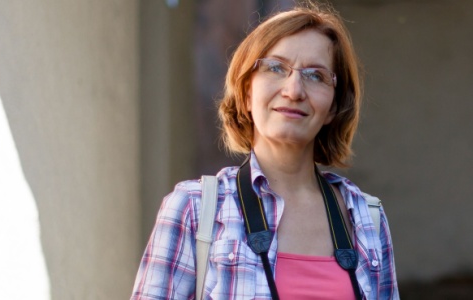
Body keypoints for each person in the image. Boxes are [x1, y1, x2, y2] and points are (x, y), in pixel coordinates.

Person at [130, 4, 399, 300]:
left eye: (315, 75)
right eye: (275, 68)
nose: (294, 90)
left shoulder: (365, 216)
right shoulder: (194, 210)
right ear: (246, 93)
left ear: (333, 107)